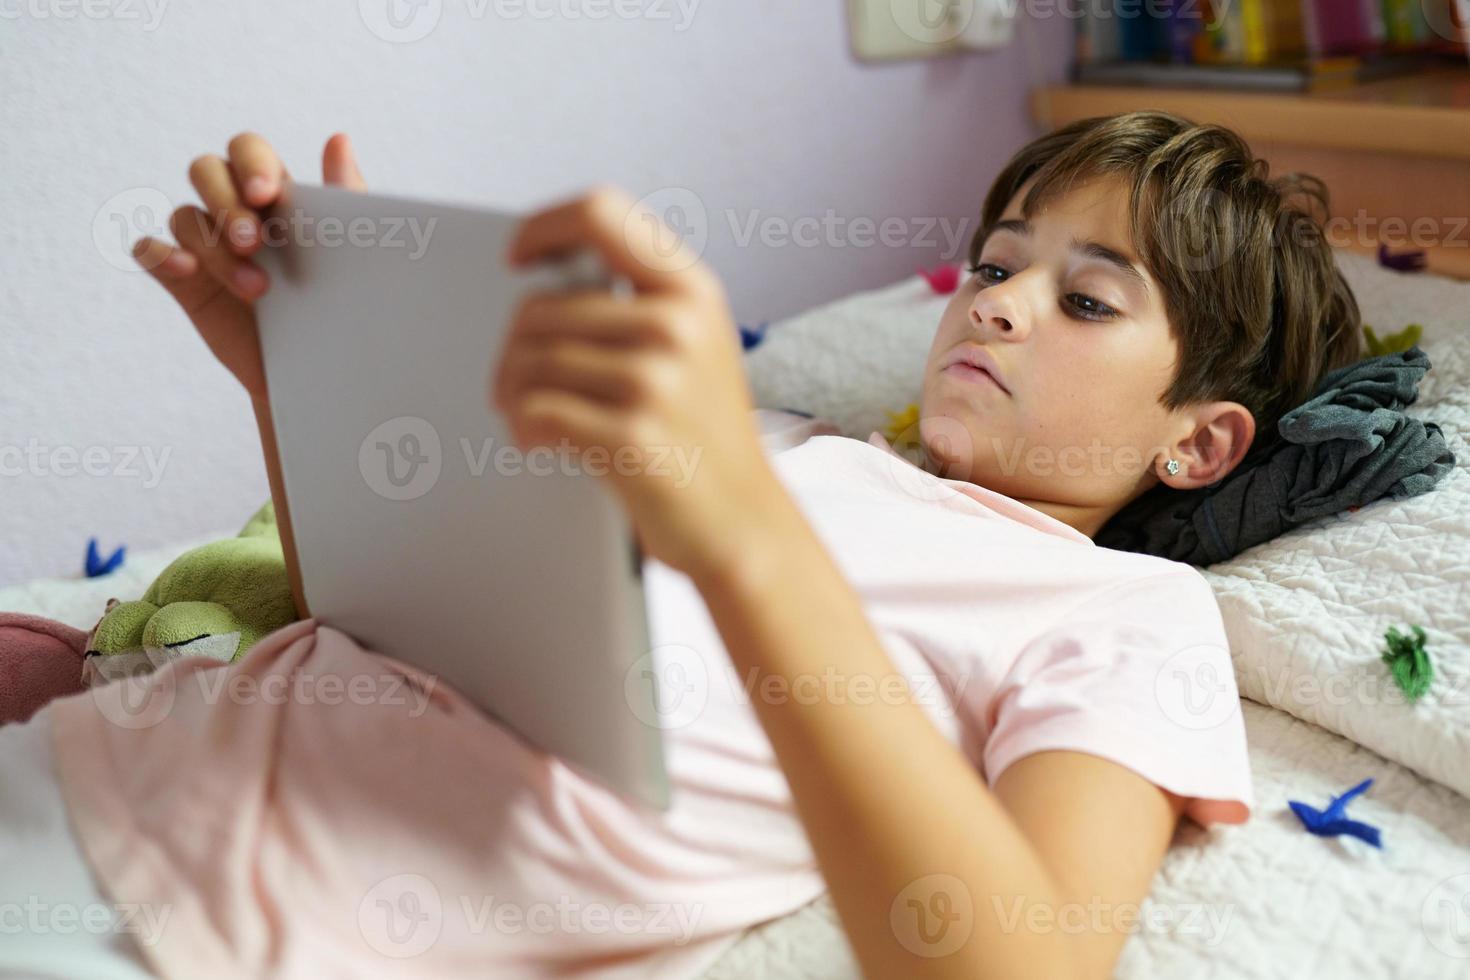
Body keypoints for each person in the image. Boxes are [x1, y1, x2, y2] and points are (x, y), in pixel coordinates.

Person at [0, 111, 1361, 979]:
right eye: (997, 266)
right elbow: (384, 617)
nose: (999, 308)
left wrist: (740, 534)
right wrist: (293, 374)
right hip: (102, 760)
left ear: (1198, 444)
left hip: (196, 926)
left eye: (1083, 298)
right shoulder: (781, 439)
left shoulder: (1127, 609)